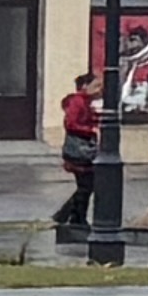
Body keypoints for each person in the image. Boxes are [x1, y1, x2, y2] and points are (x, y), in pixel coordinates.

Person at [53, 66, 105, 238]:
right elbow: (72, 124)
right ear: (84, 86)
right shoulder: (77, 101)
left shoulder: (84, 102)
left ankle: (66, 215)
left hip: (82, 148)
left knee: (86, 185)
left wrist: (98, 120)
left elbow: (86, 118)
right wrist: (91, 129)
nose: (99, 90)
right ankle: (75, 217)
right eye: (96, 86)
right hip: (78, 150)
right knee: (86, 185)